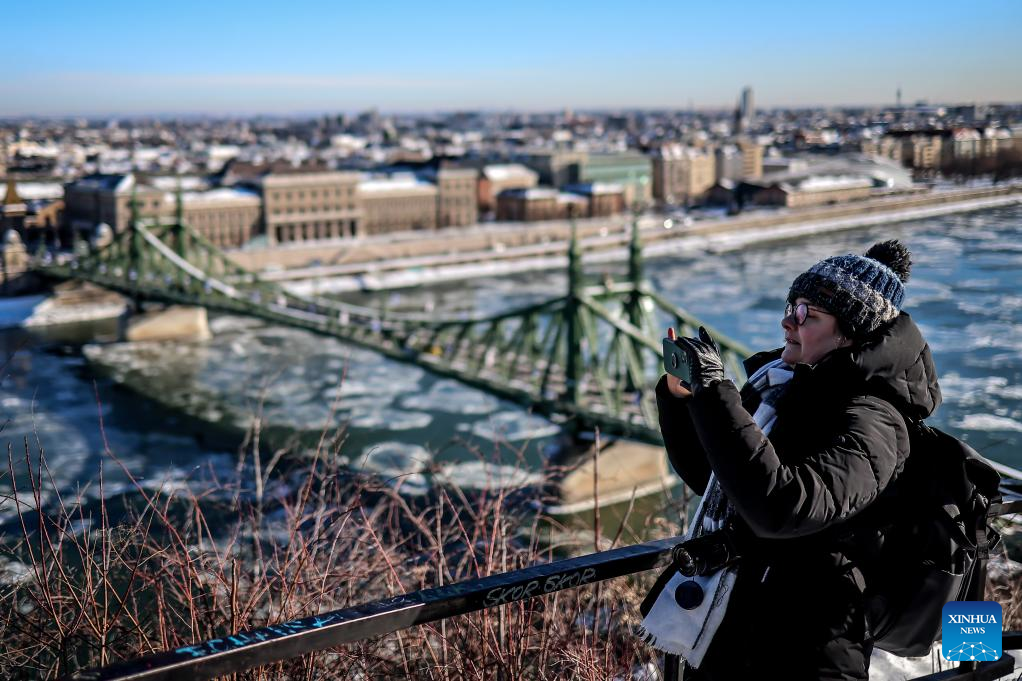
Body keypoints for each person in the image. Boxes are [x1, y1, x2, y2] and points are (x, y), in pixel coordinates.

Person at [640, 240, 940, 680]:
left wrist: (717, 395)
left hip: (806, 649)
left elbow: (781, 508)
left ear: (851, 334)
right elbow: (719, 477)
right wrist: (684, 401)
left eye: (807, 315)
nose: (787, 322)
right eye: (791, 307)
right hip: (738, 630)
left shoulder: (875, 421)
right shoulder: (783, 390)